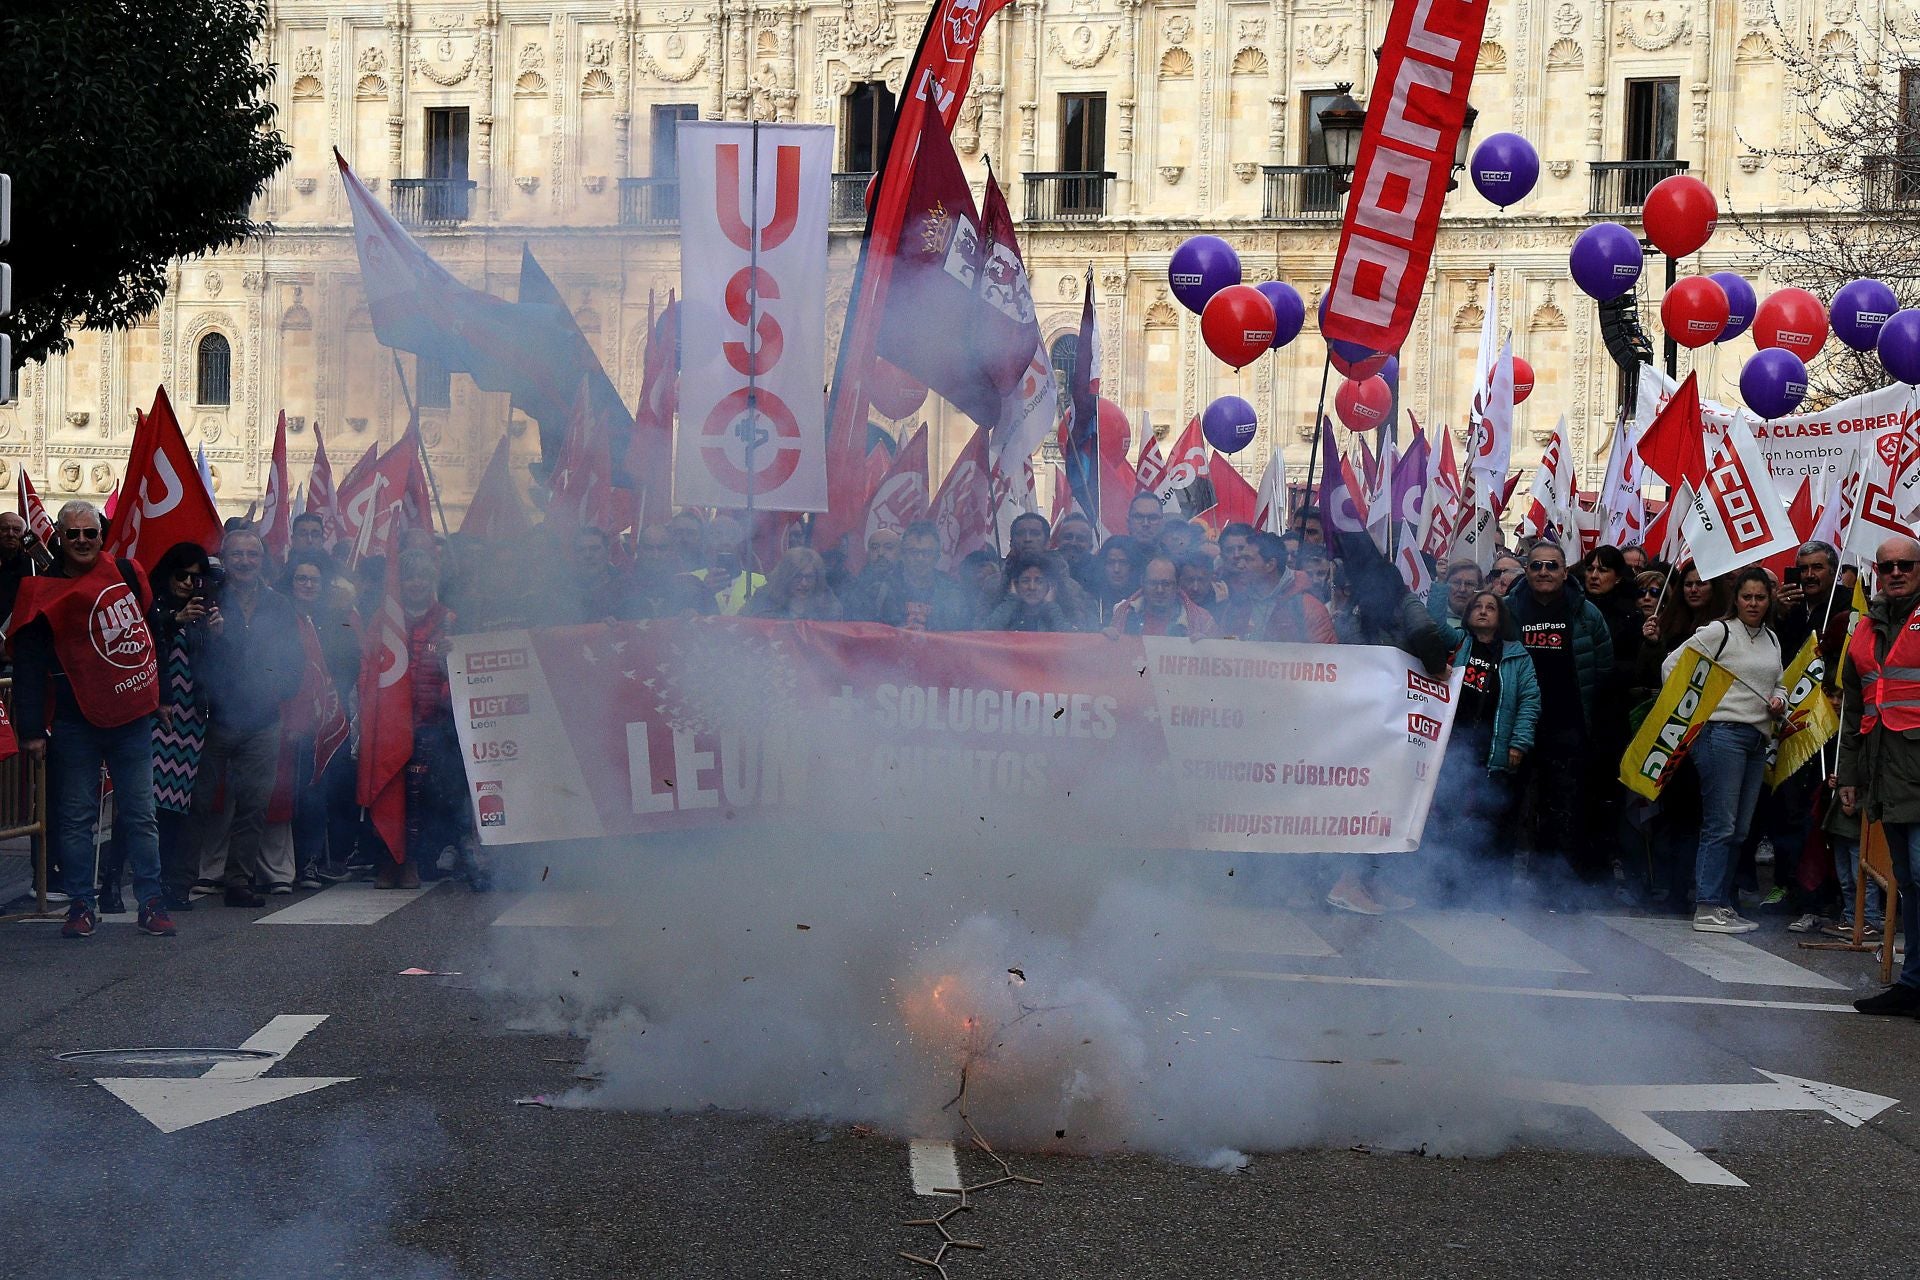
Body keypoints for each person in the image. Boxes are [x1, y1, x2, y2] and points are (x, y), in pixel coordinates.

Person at [11, 501, 171, 938]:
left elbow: (149, 639)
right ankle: (81, 905)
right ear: (58, 538)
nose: (82, 540)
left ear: (101, 536)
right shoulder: (40, 590)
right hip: (73, 719)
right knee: (76, 817)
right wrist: (29, 729)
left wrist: (164, 697)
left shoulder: (126, 574)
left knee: (141, 813)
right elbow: (26, 664)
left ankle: (151, 901)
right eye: (72, 534)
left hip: (130, 717)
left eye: (90, 533)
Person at [1663, 567, 1786, 934]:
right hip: (1720, 735)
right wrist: (1696, 707)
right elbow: (1673, 665)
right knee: (1721, 824)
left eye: (1760, 597)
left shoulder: (1772, 639)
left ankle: (1722, 903)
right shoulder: (1719, 631)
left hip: (1756, 738)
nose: (1753, 603)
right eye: (1747, 597)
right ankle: (1707, 906)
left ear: (1769, 601)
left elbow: (1778, 683)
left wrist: (1779, 700)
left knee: (1740, 828)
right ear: (1736, 599)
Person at [189, 527, 306, 904]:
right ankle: (182, 879)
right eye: (237, 555)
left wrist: (277, 691)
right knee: (200, 800)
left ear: (261, 560)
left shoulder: (280, 605)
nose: (244, 562)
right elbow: (192, 656)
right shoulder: (209, 601)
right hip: (216, 719)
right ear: (225, 560)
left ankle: (238, 881)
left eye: (251, 555)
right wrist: (212, 637)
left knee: (254, 803)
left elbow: (293, 661)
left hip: (262, 721)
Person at [1837, 535, 1920, 1014]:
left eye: (1906, 564)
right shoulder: (1865, 628)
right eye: (1886, 566)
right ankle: (1913, 984)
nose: (1895, 572)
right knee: (1908, 882)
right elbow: (1855, 710)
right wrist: (1848, 776)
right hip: (1886, 775)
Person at [1505, 540, 1615, 890]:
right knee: (1508, 804)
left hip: (1567, 727)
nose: (1543, 572)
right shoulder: (1508, 609)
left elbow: (1603, 666)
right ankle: (1494, 885)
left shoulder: (1586, 612)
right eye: (1536, 565)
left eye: (1552, 566)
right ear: (1526, 570)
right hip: (1516, 727)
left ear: (1565, 572)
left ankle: (1550, 886)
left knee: (1562, 809)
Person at [1427, 589, 1540, 903]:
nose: (1483, 611)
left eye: (1491, 607)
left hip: (1493, 749)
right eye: (1477, 606)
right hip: (1454, 749)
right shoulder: (1459, 642)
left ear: (1501, 617)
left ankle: (1483, 890)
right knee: (1448, 817)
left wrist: (1519, 743)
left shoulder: (1517, 655)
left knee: (1487, 821)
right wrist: (1438, 584)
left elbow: (1529, 702)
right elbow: (1434, 623)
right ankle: (1444, 885)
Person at [393, 550, 487, 891]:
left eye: (422, 577)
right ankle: (408, 859)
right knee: (406, 796)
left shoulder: (451, 620)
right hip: (400, 723)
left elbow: (467, 670)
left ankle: (454, 851)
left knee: (442, 791)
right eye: (410, 577)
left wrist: (453, 657)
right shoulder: (389, 620)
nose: (416, 583)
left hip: (441, 723)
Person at [140, 542, 218, 913]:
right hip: (158, 715)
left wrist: (217, 631)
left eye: (196, 577)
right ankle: (120, 881)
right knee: (145, 804)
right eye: (181, 575)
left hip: (191, 721)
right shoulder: (152, 607)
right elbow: (149, 643)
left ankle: (169, 884)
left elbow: (217, 666)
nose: (189, 583)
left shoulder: (206, 613)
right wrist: (175, 620)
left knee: (177, 808)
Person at [847, 521, 970, 631]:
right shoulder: (877, 590)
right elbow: (861, 633)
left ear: (937, 557)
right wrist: (895, 635)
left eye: (926, 553)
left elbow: (964, 637)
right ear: (903, 555)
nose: (919, 559)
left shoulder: (952, 591)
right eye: (913, 552)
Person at [1216, 532, 1337, 643]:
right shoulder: (1237, 605)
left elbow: (1323, 658)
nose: (1241, 565)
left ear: (1270, 565)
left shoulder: (1306, 608)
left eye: (1248, 559)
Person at [1107, 555, 1215, 637]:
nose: (1160, 590)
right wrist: (1104, 642)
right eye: (1153, 583)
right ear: (1142, 582)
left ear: (1177, 586)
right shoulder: (1125, 614)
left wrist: (1207, 647)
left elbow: (1219, 658)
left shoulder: (1202, 620)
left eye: (1166, 584)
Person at [627, 525, 712, 619]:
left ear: (672, 550)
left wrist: (695, 615)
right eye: (649, 548)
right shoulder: (622, 586)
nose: (656, 556)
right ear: (639, 550)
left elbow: (710, 623)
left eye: (662, 549)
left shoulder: (690, 585)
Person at [984, 554, 1077, 633]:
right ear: (1015, 584)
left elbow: (1072, 643)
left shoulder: (1065, 612)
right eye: (1025, 581)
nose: (1032, 587)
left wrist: (1051, 607)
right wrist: (1011, 601)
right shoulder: (1006, 612)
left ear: (1050, 586)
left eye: (1039, 581)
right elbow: (984, 636)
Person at [745, 547, 843, 620]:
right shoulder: (764, 598)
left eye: (809, 577)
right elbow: (740, 627)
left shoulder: (829, 606)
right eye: (797, 576)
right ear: (786, 576)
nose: (804, 583)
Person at [694, 517, 765, 616]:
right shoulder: (691, 580)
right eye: (717, 536)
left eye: (732, 537)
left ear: (741, 546)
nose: (725, 542)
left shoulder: (760, 583)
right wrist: (704, 592)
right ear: (705, 545)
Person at [1091, 535, 1146, 622]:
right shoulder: (1092, 600)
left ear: (1133, 566)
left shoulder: (1143, 602)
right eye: (1111, 562)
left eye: (1123, 562)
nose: (1117, 569)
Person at [956, 547, 1005, 627]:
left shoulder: (1008, 592)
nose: (979, 573)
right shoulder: (961, 598)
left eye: (982, 566)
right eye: (972, 569)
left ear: (995, 567)